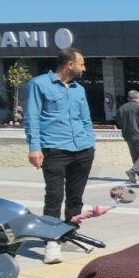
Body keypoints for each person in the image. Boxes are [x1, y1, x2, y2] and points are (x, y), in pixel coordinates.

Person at [23, 48, 95, 265]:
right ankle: (51, 242)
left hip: (82, 149)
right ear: (69, 64)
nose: (84, 68)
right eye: (82, 64)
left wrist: (90, 142)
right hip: (54, 149)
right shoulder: (38, 84)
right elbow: (31, 118)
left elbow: (86, 119)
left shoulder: (79, 89)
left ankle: (69, 234)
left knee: (75, 197)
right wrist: (34, 148)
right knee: (54, 196)